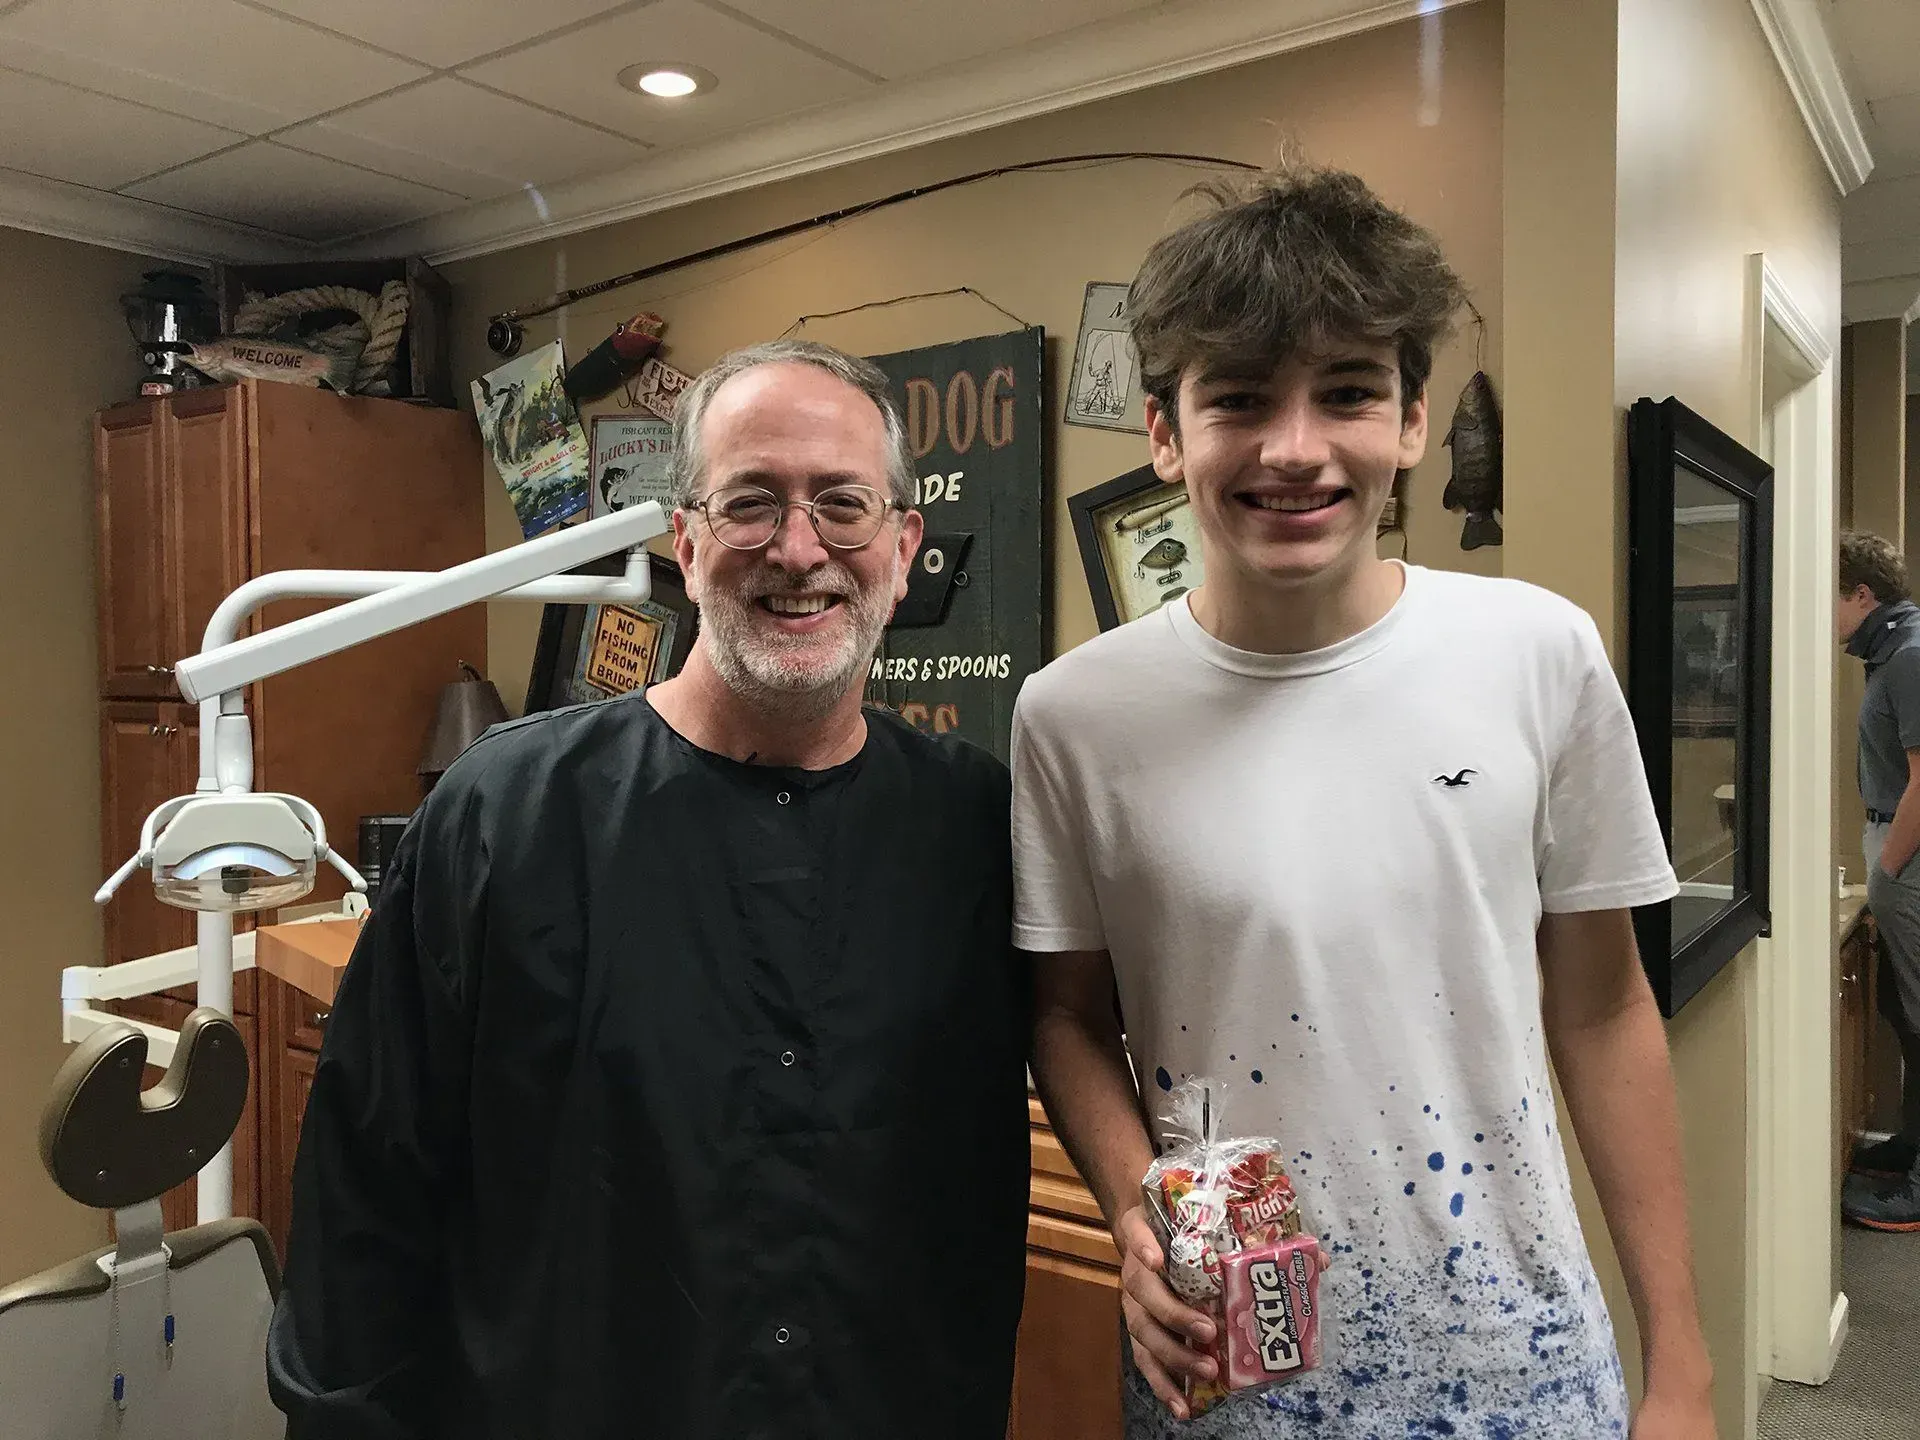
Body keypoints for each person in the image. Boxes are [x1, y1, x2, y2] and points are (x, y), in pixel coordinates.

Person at [1013, 165, 1716, 1438]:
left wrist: (1681, 1364)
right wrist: (1134, 1207)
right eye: (1238, 399)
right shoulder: (1074, 716)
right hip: (1228, 1360)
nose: (1296, 448)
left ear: (1410, 421)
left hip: (1520, 1351)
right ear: (1166, 434)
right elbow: (1064, 1017)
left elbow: (1607, 1007)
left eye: (1347, 393)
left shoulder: (1538, 651)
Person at [267, 339, 1033, 1439]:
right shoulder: (504, 817)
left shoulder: (971, 829)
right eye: (752, 503)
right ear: (685, 540)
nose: (799, 548)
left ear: (903, 547)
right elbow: (364, 1205)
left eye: (843, 506)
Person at [1837, 530, 1920, 1231]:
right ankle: (1910, 1147)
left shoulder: (1910, 658)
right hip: (1898, 845)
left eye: (1831, 600)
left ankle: (1918, 1187)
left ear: (1862, 596)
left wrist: (1889, 869)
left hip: (1909, 853)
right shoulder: (1892, 654)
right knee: (1904, 1010)